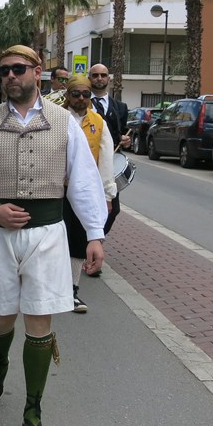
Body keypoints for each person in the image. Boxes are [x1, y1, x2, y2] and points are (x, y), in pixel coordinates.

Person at [0, 45, 106, 426]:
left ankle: (33, 411)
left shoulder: (63, 122)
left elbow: (84, 181)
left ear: (37, 72)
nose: (10, 76)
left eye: (18, 69)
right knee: (1, 318)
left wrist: (94, 234)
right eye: (3, 70)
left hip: (48, 234)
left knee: (40, 321)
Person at [62, 75, 120, 313]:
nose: (81, 98)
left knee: (78, 239)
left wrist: (107, 196)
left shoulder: (99, 122)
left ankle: (72, 291)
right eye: (76, 94)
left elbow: (106, 161)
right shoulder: (57, 118)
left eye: (86, 94)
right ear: (68, 95)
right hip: (57, 190)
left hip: (84, 191)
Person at [86, 63, 130, 276]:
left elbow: (121, 133)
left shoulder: (120, 107)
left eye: (103, 75)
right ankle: (88, 250)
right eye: (95, 75)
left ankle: (95, 242)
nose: (99, 79)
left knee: (113, 209)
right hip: (86, 165)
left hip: (107, 166)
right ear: (89, 78)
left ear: (109, 79)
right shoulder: (82, 101)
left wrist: (125, 140)